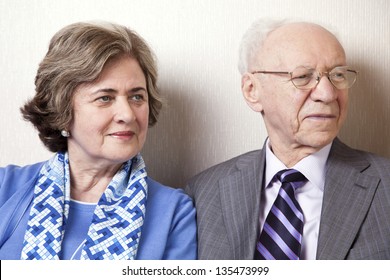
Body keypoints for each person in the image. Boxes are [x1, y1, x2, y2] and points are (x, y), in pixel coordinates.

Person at [185, 19, 390, 260]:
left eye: (337, 75)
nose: (328, 94)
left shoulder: (384, 186)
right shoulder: (201, 194)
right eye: (303, 76)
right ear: (252, 90)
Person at [0, 22, 196, 260]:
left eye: (137, 96)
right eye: (105, 98)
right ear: (62, 112)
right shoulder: (6, 188)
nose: (127, 115)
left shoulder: (173, 213)